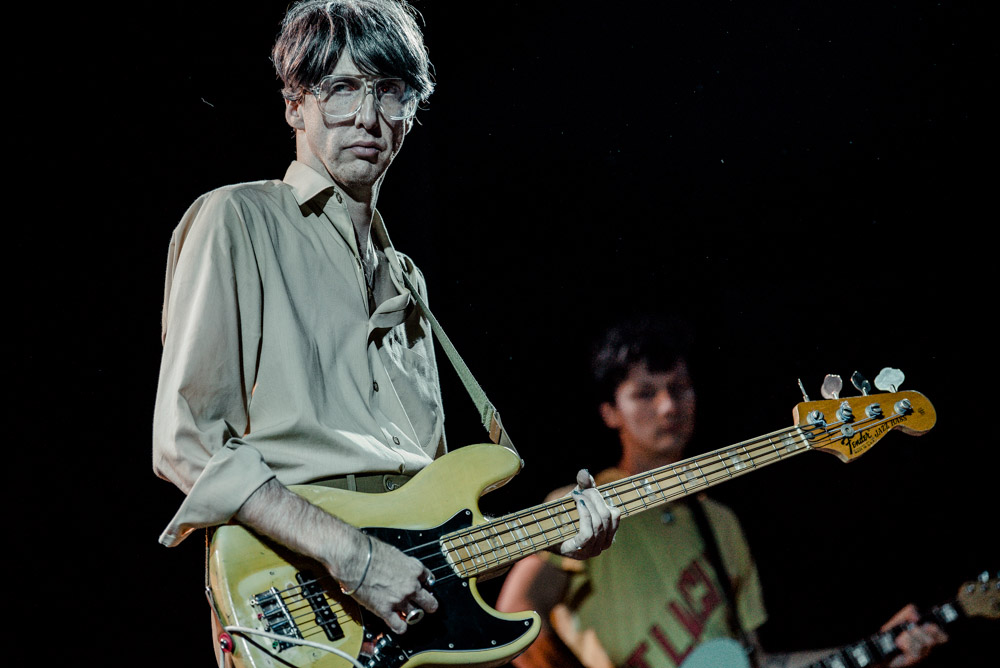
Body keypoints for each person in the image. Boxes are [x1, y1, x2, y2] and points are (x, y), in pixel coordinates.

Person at [151, 0, 619, 654]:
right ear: (295, 106)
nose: (369, 117)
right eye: (341, 89)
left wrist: (554, 541)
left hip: (397, 631)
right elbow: (186, 440)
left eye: (391, 92)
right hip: (293, 590)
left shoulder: (407, 280)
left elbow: (426, 533)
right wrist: (354, 558)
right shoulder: (237, 221)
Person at [495, 315, 948, 668]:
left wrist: (877, 649)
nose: (669, 406)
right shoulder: (582, 506)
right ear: (610, 411)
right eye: (645, 393)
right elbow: (516, 616)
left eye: (679, 388)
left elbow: (757, 660)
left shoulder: (721, 524)